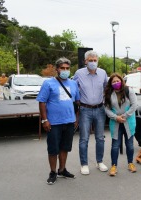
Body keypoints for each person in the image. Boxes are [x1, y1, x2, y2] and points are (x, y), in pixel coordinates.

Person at [36, 57, 80, 185]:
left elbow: (77, 102)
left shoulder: (73, 83)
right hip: (54, 122)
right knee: (53, 149)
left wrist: (76, 118)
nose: (65, 70)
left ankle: (62, 169)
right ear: (57, 69)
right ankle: (53, 172)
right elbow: (42, 102)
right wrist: (44, 120)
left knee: (65, 148)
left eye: (67, 68)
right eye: (62, 68)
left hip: (69, 121)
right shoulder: (48, 83)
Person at [73, 50, 108, 175]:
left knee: (100, 138)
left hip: (100, 109)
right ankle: (84, 164)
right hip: (85, 109)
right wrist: (77, 100)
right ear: (85, 61)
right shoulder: (79, 73)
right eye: (90, 60)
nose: (93, 62)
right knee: (84, 139)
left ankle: (100, 162)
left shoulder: (103, 73)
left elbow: (106, 87)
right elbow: (72, 87)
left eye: (95, 60)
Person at [104, 73, 138, 176]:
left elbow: (134, 105)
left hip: (128, 122)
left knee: (130, 145)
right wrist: (116, 117)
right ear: (111, 83)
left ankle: (130, 163)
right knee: (115, 146)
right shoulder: (109, 93)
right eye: (113, 81)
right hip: (116, 123)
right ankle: (114, 166)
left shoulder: (129, 91)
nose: (116, 83)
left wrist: (125, 116)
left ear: (121, 81)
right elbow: (106, 108)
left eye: (117, 81)